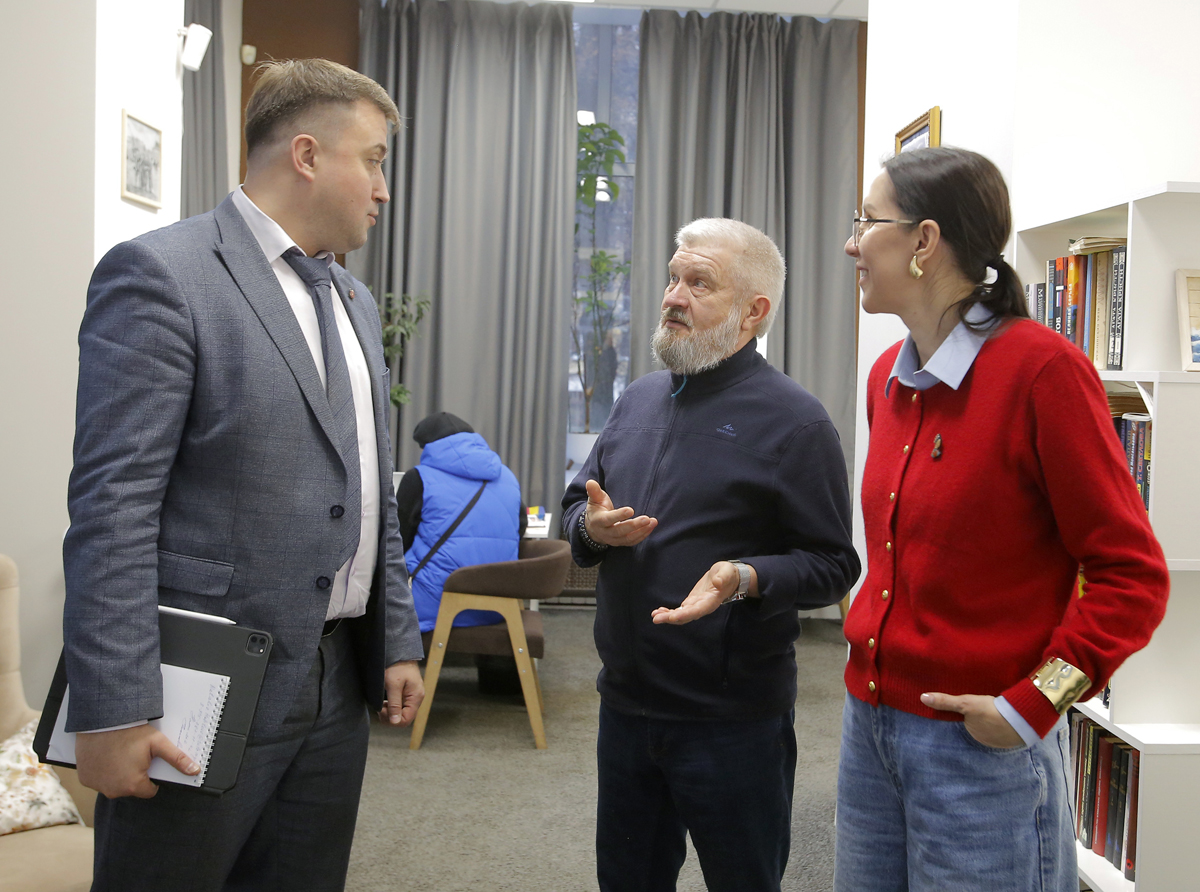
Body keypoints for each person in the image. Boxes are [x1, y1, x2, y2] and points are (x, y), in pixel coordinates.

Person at [62, 59, 425, 892]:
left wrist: (396, 640)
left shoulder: (354, 301)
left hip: (335, 682)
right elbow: (113, 509)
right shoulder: (162, 275)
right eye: (373, 160)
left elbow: (372, 491)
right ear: (307, 155)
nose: (383, 189)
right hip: (199, 682)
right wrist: (113, 707)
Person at [836, 146, 1170, 892]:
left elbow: (1132, 577)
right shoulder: (887, 377)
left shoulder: (1042, 372)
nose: (853, 244)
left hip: (979, 751)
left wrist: (1036, 702)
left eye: (867, 222)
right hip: (869, 729)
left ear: (924, 241)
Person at [561, 218, 861, 892]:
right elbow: (573, 508)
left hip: (733, 722)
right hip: (625, 708)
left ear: (753, 311)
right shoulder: (637, 398)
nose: (673, 296)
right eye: (673, 278)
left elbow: (835, 565)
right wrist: (594, 530)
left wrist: (746, 576)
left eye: (699, 283)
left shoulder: (797, 422)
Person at [396, 411, 525, 630]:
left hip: (433, 604)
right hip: (498, 605)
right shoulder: (507, 476)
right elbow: (519, 529)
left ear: (428, 446)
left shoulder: (419, 478)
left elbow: (397, 541)